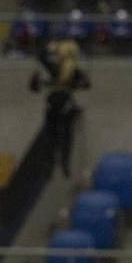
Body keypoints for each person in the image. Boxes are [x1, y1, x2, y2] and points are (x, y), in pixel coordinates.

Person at [30, 39, 91, 177]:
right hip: (58, 103)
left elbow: (86, 84)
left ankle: (61, 163)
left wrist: (70, 85)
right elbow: (41, 57)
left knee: (62, 135)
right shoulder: (58, 68)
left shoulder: (68, 70)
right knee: (55, 135)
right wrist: (50, 49)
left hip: (63, 103)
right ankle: (55, 164)